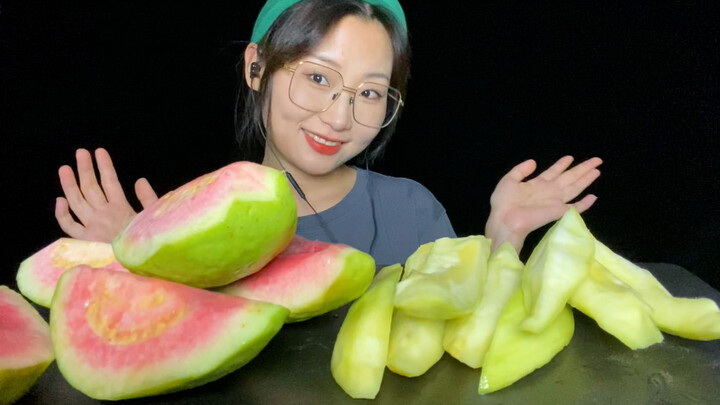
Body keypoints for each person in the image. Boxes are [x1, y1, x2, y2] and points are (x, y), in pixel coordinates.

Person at [53, 0, 602, 266]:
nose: (340, 119)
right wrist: (134, 259)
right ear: (255, 68)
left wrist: (502, 235)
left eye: (369, 93)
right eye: (317, 77)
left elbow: (467, 337)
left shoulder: (415, 210)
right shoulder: (185, 215)